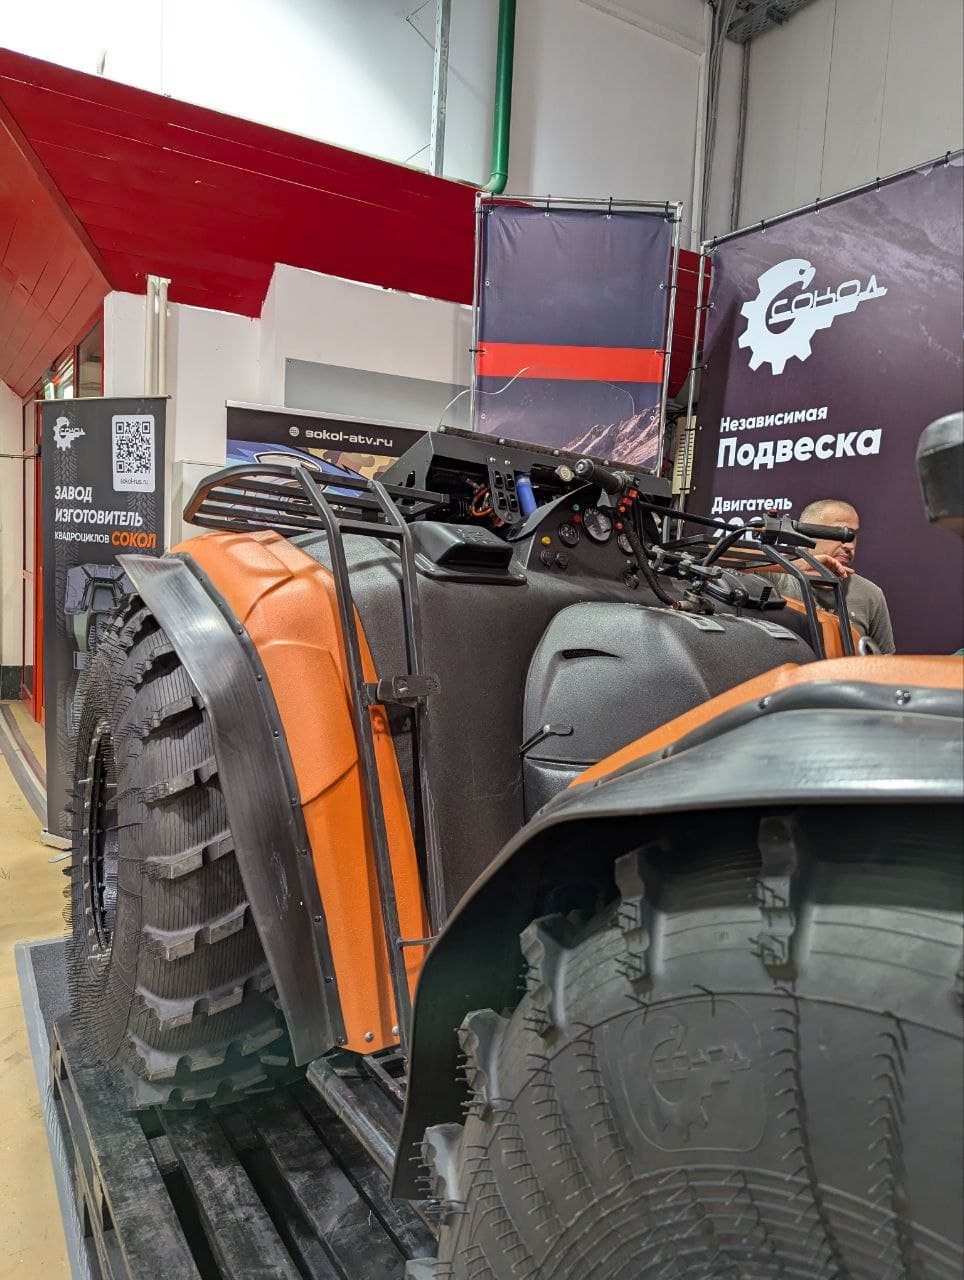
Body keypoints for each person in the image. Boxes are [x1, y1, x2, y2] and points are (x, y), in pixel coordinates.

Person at [771, 498, 896, 653]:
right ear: (805, 534)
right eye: (839, 533)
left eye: (852, 536)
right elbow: (739, 556)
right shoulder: (774, 578)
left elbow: (884, 661)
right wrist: (795, 565)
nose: (849, 545)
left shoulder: (870, 594)